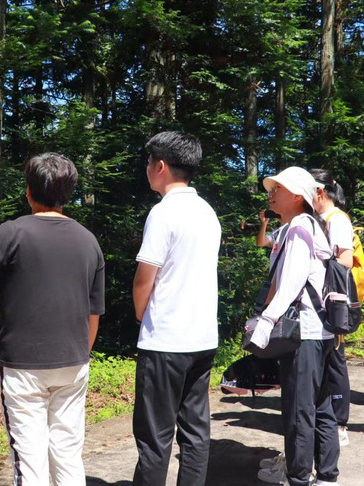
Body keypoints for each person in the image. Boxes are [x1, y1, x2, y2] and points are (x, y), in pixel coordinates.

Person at [0, 153, 105, 486]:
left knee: (30, 461)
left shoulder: (12, 233)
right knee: (68, 454)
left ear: (28, 192)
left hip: (23, 368)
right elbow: (93, 311)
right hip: (74, 363)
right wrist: (81, 354)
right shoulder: (88, 240)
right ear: (68, 193)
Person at [132, 131, 221, 486]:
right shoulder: (207, 212)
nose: (146, 169)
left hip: (166, 340)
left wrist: (141, 315)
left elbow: (144, 279)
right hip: (202, 337)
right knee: (195, 432)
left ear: (161, 166)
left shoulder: (163, 212)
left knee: (154, 438)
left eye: (148, 162)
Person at [250, 166, 339, 486]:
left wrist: (266, 320)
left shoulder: (300, 227)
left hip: (304, 332)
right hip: (319, 330)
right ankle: (327, 475)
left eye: (279, 189)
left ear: (299, 196)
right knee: (321, 405)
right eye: (272, 189)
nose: (271, 194)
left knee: (299, 410)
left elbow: (291, 281)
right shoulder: (304, 226)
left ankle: (300, 478)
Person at [310, 169, 354, 447]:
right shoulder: (317, 218)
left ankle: (339, 424)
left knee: (335, 360)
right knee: (325, 361)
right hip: (319, 300)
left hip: (332, 301)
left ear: (320, 192)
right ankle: (326, 421)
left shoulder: (336, 219)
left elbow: (346, 260)